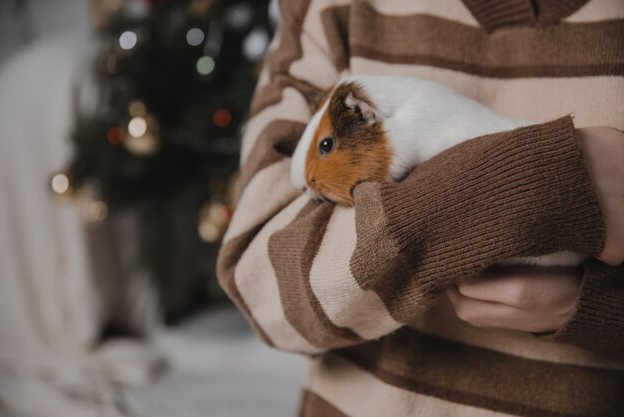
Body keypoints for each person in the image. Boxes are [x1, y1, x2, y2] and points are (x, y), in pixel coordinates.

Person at [217, 1, 624, 415]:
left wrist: (603, 308)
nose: (310, 181)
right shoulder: (330, 9)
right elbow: (257, 280)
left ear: (367, 117)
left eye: (326, 148)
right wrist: (550, 178)